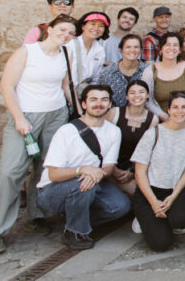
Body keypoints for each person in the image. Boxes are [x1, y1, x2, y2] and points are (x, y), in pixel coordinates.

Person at [0, 14, 78, 256]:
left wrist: (78, 109)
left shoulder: (66, 54)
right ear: (50, 28)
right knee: (11, 171)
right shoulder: (27, 52)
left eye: (70, 33)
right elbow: (7, 86)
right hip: (26, 116)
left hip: (55, 115)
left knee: (45, 168)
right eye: (62, 30)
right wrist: (18, 117)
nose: (65, 35)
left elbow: (66, 85)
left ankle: (38, 215)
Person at [35, 85, 129, 250]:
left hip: (91, 182)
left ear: (109, 105)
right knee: (82, 185)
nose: (98, 104)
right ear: (84, 105)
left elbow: (109, 166)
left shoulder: (114, 131)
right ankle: (75, 232)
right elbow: (53, 174)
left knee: (120, 206)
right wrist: (82, 170)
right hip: (52, 191)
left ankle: (75, 217)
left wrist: (96, 174)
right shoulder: (66, 131)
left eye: (104, 100)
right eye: (93, 100)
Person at [130, 92, 185, 251]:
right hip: (150, 191)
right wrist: (153, 202)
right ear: (168, 110)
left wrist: (173, 196)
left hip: (174, 190)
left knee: (182, 220)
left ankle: (166, 218)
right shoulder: (153, 133)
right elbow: (139, 173)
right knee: (160, 244)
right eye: (175, 107)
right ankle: (145, 219)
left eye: (184, 107)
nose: (179, 111)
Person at [104, 80, 159, 197]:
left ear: (148, 95)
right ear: (127, 96)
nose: (137, 96)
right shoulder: (114, 113)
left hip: (133, 169)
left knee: (142, 194)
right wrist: (112, 169)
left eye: (141, 92)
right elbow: (102, 144)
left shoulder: (152, 119)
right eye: (132, 93)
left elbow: (147, 150)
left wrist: (132, 172)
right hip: (110, 167)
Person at [141, 32, 185, 119]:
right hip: (159, 120)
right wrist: (165, 117)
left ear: (180, 50)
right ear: (160, 49)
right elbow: (147, 101)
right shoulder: (150, 71)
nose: (171, 48)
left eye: (175, 45)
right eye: (167, 44)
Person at [96, 34, 147, 109]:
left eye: (136, 47)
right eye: (128, 47)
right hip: (113, 117)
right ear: (121, 50)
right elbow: (102, 98)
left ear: (141, 50)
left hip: (141, 116)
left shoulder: (148, 71)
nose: (132, 50)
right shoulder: (107, 73)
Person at [68, 11, 110, 88]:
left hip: (85, 92)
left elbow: (96, 78)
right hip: (67, 91)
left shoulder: (99, 50)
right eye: (92, 24)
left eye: (101, 26)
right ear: (83, 26)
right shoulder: (70, 45)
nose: (96, 28)